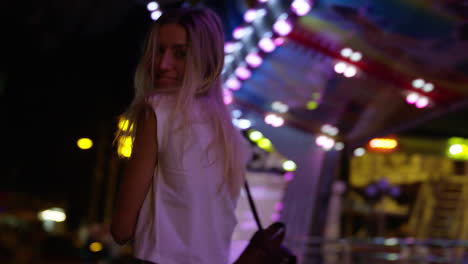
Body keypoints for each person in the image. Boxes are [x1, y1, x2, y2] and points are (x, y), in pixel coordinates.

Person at [110, 7, 251, 264]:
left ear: (205, 59)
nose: (163, 64)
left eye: (180, 53)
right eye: (158, 51)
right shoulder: (227, 130)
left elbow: (122, 228)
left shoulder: (156, 111)